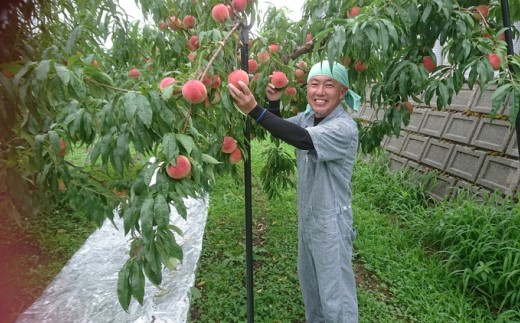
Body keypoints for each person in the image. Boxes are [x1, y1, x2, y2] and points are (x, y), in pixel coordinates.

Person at [228, 60, 361, 323]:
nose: (320, 92)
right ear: (307, 88)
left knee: (336, 297)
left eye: (329, 85)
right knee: (312, 289)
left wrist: (254, 109)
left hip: (332, 223)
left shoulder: (344, 127)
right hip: (309, 219)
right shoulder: (309, 117)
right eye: (314, 84)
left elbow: (302, 138)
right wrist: (273, 103)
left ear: (342, 92)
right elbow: (283, 130)